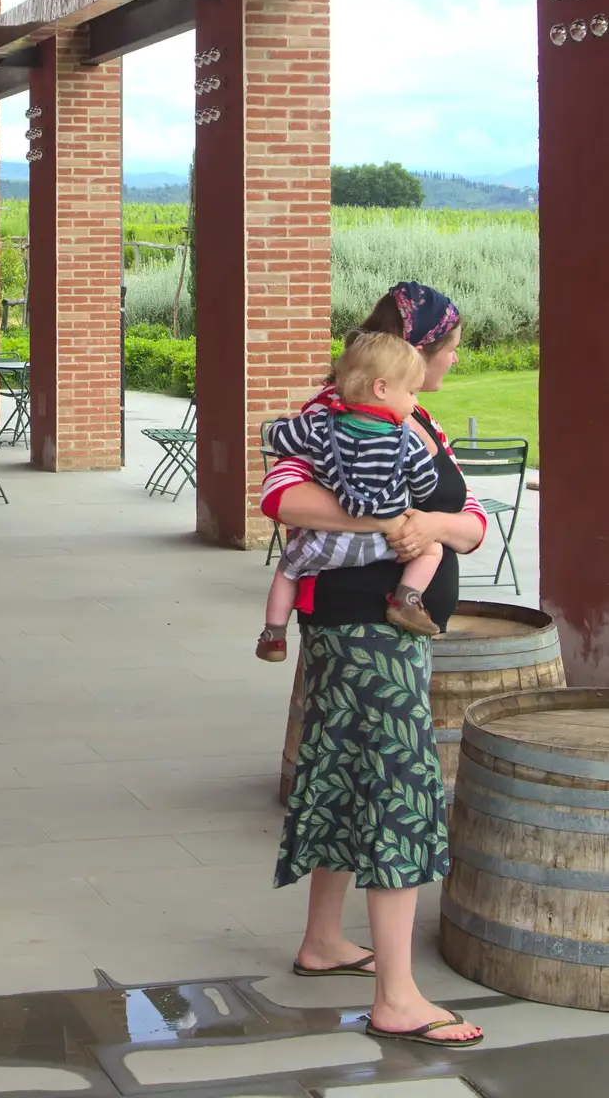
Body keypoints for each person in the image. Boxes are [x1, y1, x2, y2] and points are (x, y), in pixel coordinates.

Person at [262, 281, 487, 1051]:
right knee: (397, 787)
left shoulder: (416, 419)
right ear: (418, 350)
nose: (456, 357)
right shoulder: (335, 413)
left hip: (385, 630)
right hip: (364, 630)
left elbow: (474, 517)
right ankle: (396, 996)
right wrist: (399, 522)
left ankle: (323, 942)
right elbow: (284, 500)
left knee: (340, 775)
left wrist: (440, 525)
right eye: (451, 345)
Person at [257, 332, 442, 661]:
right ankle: (406, 600)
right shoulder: (408, 441)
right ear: (381, 389)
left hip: (326, 544)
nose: (415, 402)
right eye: (412, 392)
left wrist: (280, 427)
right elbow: (428, 486)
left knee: (287, 569)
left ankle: (274, 634)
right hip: (385, 545)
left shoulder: (320, 425)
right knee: (432, 549)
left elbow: (279, 440)